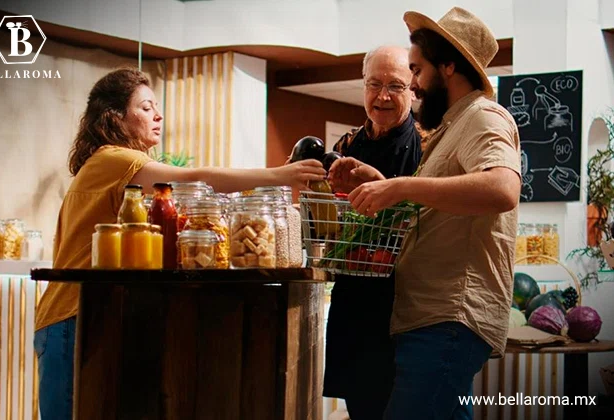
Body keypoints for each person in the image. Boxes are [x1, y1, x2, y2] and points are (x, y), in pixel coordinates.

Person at [33, 68, 326, 420]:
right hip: (72, 313)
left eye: (157, 107)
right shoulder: (115, 159)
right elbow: (196, 178)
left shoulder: (121, 167)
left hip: (92, 311)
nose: (158, 115)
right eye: (145, 107)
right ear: (115, 117)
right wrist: (279, 175)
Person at [345, 7, 521, 419]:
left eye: (417, 71)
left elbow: (502, 187)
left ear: (448, 66)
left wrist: (401, 185)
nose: (415, 85)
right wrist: (382, 182)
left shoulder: (483, 116)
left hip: (449, 316)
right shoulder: (451, 127)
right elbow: (444, 207)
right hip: (432, 317)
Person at [322, 46, 422, 419]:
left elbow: (430, 222)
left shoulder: (429, 145)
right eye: (373, 84)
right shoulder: (346, 145)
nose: (382, 96)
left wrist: (379, 184)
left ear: (413, 89)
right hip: (354, 302)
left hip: (405, 306)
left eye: (395, 86)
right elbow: (332, 223)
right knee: (362, 408)